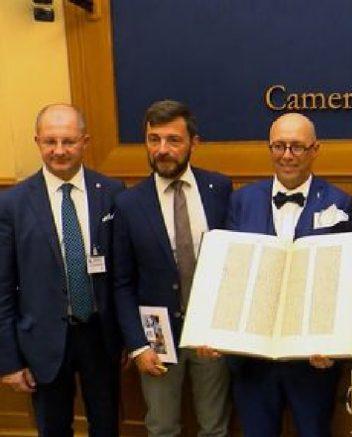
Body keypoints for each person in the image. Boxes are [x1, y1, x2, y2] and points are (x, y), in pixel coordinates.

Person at [226, 113, 352, 437]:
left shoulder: (340, 202)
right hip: (252, 357)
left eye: (296, 147)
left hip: (312, 358)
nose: (287, 155)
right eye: (279, 146)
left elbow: (343, 282)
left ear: (315, 150)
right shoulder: (241, 200)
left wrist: (333, 347)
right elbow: (231, 274)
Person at [0, 104, 124, 435]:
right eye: (50, 141)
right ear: (37, 141)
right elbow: (2, 289)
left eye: (68, 141)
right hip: (42, 341)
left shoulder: (112, 193)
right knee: (53, 429)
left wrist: (129, 338)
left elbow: (123, 275)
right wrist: (9, 361)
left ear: (85, 141)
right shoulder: (12, 204)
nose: (59, 151)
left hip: (101, 336)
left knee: (107, 426)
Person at [112, 100, 232, 436]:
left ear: (194, 142)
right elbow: (121, 283)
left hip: (210, 333)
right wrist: (138, 345)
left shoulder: (219, 189)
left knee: (214, 427)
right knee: (162, 427)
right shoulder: (128, 203)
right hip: (156, 338)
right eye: (154, 139)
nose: (162, 149)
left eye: (173, 140)